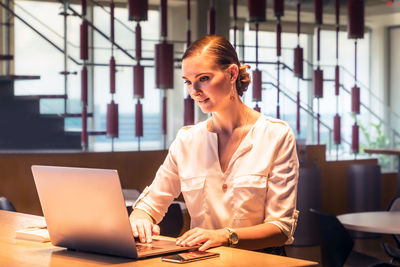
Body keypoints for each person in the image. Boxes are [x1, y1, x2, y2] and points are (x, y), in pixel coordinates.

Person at [129, 35, 299, 252]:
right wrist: (140, 219)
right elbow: (148, 206)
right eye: (189, 82)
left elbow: (281, 228)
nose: (194, 91)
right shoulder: (187, 140)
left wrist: (225, 236)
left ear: (232, 73)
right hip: (204, 261)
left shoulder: (276, 135)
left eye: (204, 78)